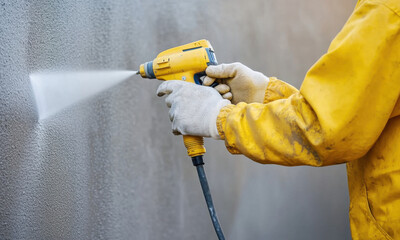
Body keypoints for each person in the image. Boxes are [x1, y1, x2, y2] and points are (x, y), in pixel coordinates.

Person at [156, 0, 400, 239]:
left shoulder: (388, 9)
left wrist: (217, 118)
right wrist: (263, 94)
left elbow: (325, 129)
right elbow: (352, 111)